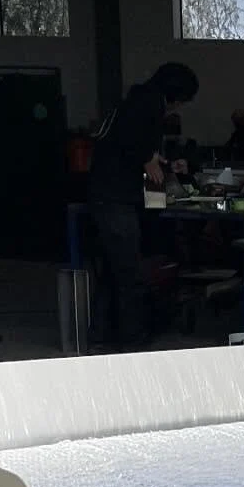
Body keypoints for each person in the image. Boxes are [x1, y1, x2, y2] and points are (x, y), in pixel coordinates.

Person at [88, 62, 199, 348]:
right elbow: (130, 139)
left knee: (113, 274)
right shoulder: (146, 103)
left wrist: (157, 160)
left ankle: (99, 339)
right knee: (129, 279)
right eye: (182, 101)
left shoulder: (139, 99)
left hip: (109, 197)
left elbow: (127, 145)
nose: (179, 108)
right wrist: (148, 159)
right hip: (115, 202)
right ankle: (133, 345)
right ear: (176, 94)